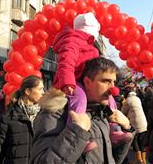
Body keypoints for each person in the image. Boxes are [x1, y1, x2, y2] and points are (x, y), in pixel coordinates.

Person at [31, 57, 134, 164]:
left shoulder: (102, 112)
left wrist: (127, 129)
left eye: (114, 82)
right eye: (106, 81)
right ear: (87, 81)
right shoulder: (55, 111)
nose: (113, 89)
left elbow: (113, 159)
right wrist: (77, 131)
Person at [53, 12, 131, 150]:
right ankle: (78, 134)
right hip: (74, 81)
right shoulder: (71, 40)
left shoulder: (92, 47)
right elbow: (66, 62)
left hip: (84, 79)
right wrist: (67, 82)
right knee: (79, 99)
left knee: (111, 100)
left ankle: (114, 128)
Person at [0, 76, 44, 164]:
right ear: (27, 91)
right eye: (40, 89)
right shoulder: (8, 117)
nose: (43, 92)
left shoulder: (44, 115)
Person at [122, 85, 148, 164]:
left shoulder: (127, 101)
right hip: (143, 123)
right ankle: (144, 161)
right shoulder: (137, 98)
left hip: (135, 124)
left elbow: (123, 113)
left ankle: (139, 160)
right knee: (142, 143)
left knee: (135, 141)